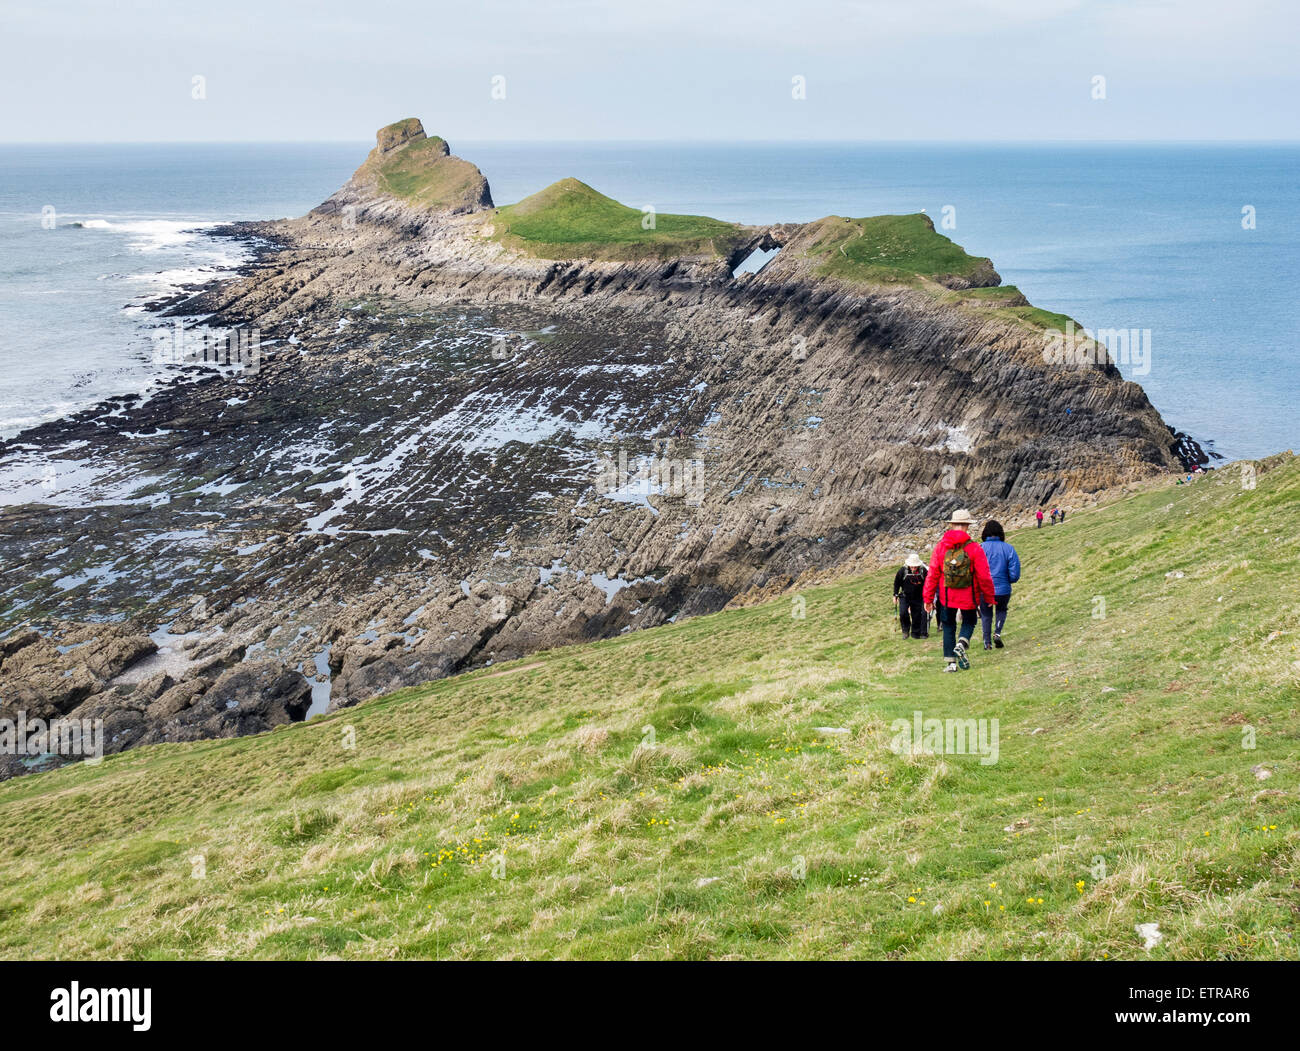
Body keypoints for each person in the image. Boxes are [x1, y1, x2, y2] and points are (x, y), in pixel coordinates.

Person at [923, 509, 995, 673]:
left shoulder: (941, 547)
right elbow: (984, 576)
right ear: (967, 526)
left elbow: (933, 574)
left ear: (953, 525)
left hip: (946, 597)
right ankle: (961, 644)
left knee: (948, 626)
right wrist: (989, 597)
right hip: (969, 597)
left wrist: (928, 599)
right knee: (969, 622)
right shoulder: (975, 548)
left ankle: (951, 664)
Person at [977, 520, 1021, 650]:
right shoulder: (1009, 548)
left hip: (984, 589)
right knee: (1001, 610)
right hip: (1003, 588)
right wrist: (1008, 580)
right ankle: (997, 632)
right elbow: (1014, 573)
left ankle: (987, 642)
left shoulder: (979, 548)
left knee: (986, 614)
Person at [893, 553, 929, 639]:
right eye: (912, 566)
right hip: (905, 596)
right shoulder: (902, 571)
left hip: (918, 596)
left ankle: (915, 633)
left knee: (916, 615)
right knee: (903, 613)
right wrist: (895, 595)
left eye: (915, 567)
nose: (913, 568)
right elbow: (896, 583)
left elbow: (928, 583)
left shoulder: (923, 571)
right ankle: (905, 631)